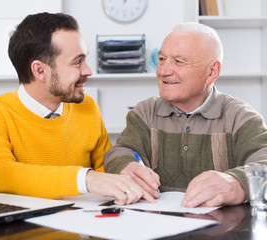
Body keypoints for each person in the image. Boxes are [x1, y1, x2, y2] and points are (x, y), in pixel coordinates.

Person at [0, 12, 150, 205]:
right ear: (40, 71)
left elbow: (104, 169)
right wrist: (85, 179)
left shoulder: (87, 106)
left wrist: (123, 168)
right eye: (77, 62)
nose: (88, 71)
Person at [104, 22, 267, 207]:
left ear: (212, 72)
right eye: (162, 59)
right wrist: (125, 166)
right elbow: (119, 151)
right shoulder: (145, 112)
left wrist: (237, 183)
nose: (163, 71)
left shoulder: (242, 118)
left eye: (179, 61)